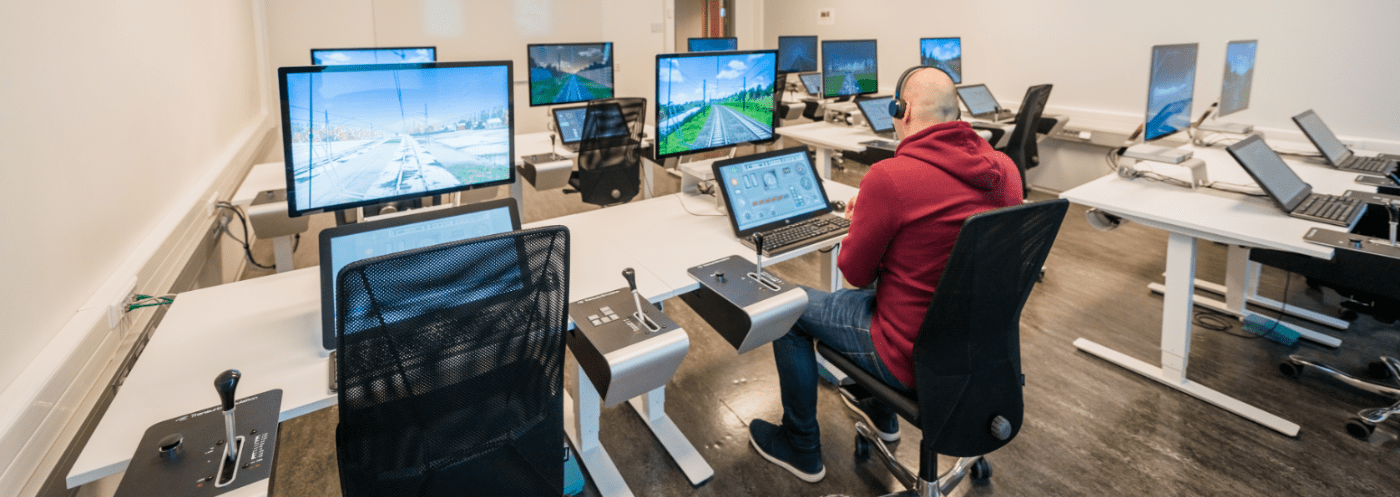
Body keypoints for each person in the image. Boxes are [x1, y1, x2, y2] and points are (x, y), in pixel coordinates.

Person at [748, 67, 1023, 482]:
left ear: (902, 109)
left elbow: (855, 275)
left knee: (787, 310)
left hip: (908, 355)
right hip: (982, 348)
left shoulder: (890, 179)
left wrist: (868, 222)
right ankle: (880, 409)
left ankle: (801, 444)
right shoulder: (1005, 169)